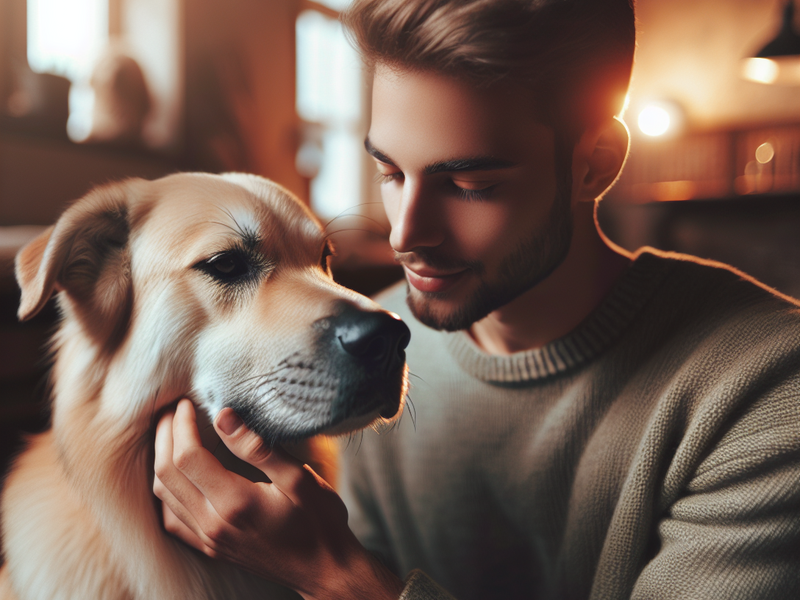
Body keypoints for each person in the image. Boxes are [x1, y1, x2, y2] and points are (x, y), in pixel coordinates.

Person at [153, 0, 800, 598]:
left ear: (595, 164)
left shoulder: (770, 389)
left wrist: (334, 578)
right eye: (390, 173)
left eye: (469, 183)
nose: (408, 234)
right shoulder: (364, 345)